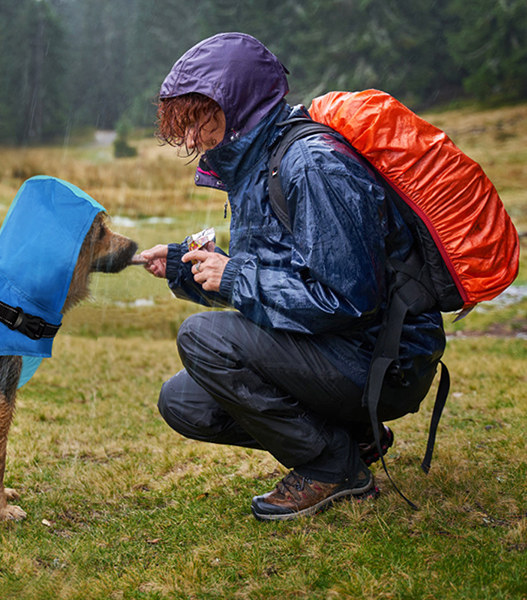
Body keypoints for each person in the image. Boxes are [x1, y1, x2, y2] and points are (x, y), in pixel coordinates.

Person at [139, 32, 446, 521]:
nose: (193, 138)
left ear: (237, 104)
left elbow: (347, 297)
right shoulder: (257, 165)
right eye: (185, 124)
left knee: (203, 340)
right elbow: (283, 277)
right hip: (339, 352)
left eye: (200, 118)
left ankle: (332, 467)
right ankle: (355, 439)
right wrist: (186, 266)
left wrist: (236, 276)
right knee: (184, 403)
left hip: (381, 360)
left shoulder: (312, 164)